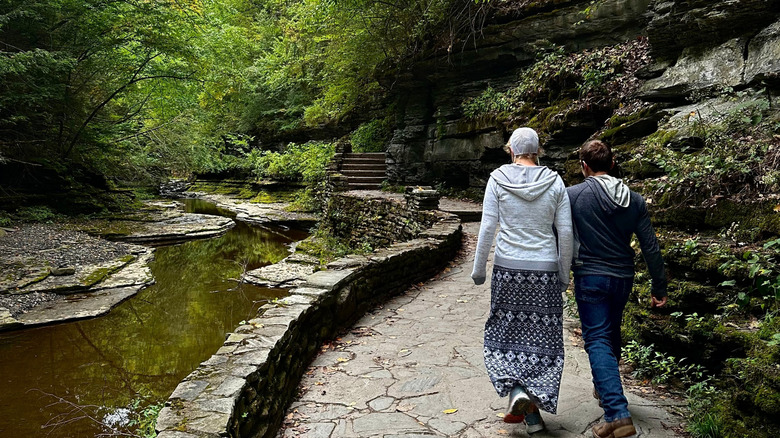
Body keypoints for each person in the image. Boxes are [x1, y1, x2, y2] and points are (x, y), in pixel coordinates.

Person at [471, 127, 573, 434]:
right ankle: (530, 413)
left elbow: (488, 225)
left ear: (512, 151)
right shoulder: (555, 181)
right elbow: (565, 232)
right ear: (537, 151)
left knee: (503, 334)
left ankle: (517, 393)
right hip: (544, 269)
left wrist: (479, 269)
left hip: (508, 269)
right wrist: (564, 273)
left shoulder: (497, 179)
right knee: (544, 340)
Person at [567, 139, 668, 438]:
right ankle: (605, 389)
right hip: (623, 277)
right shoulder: (634, 200)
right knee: (611, 334)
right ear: (611, 164)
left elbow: (559, 235)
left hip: (591, 277)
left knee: (597, 339)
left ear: (584, 166)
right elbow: (650, 245)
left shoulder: (573, 195)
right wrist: (659, 286)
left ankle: (616, 412)